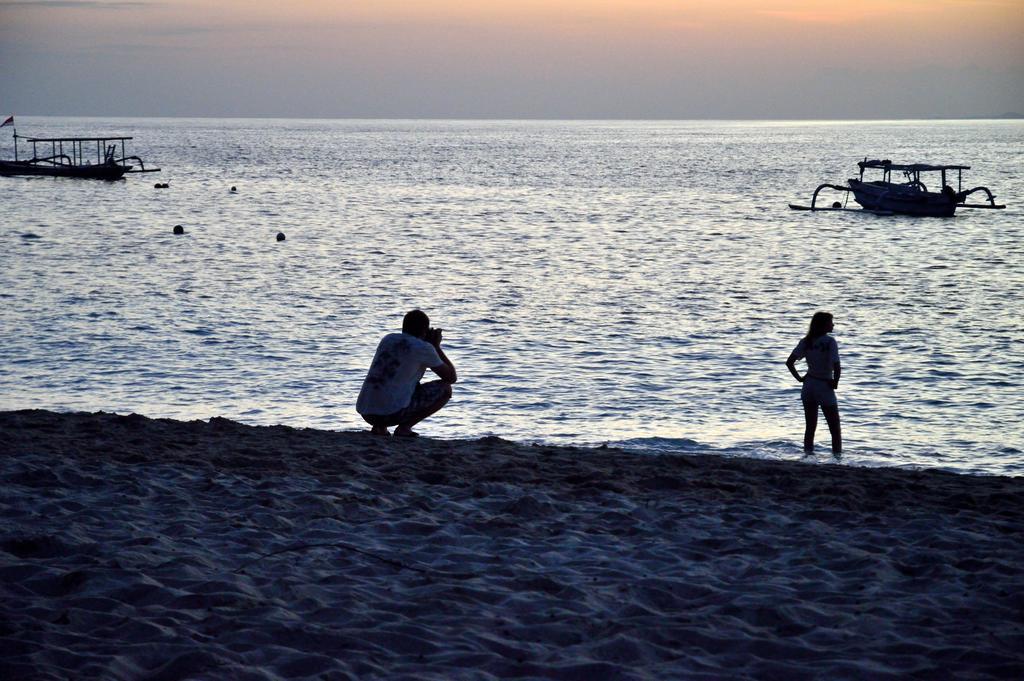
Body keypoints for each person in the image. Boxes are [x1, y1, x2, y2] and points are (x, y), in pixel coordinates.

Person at [356, 309, 457, 437]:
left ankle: (379, 428)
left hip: (366, 412)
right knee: (445, 389)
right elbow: (451, 377)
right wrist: (436, 347)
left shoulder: (388, 339)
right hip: (391, 414)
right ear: (425, 331)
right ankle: (404, 428)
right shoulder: (423, 348)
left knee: (398, 380)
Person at [786, 311, 842, 456]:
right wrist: (835, 382)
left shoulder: (806, 341)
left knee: (810, 427)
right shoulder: (830, 342)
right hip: (824, 385)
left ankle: (808, 456)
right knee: (835, 428)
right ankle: (837, 458)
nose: (833, 324)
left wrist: (799, 379)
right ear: (824, 325)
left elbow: (789, 362)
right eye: (831, 322)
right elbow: (836, 365)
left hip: (809, 385)